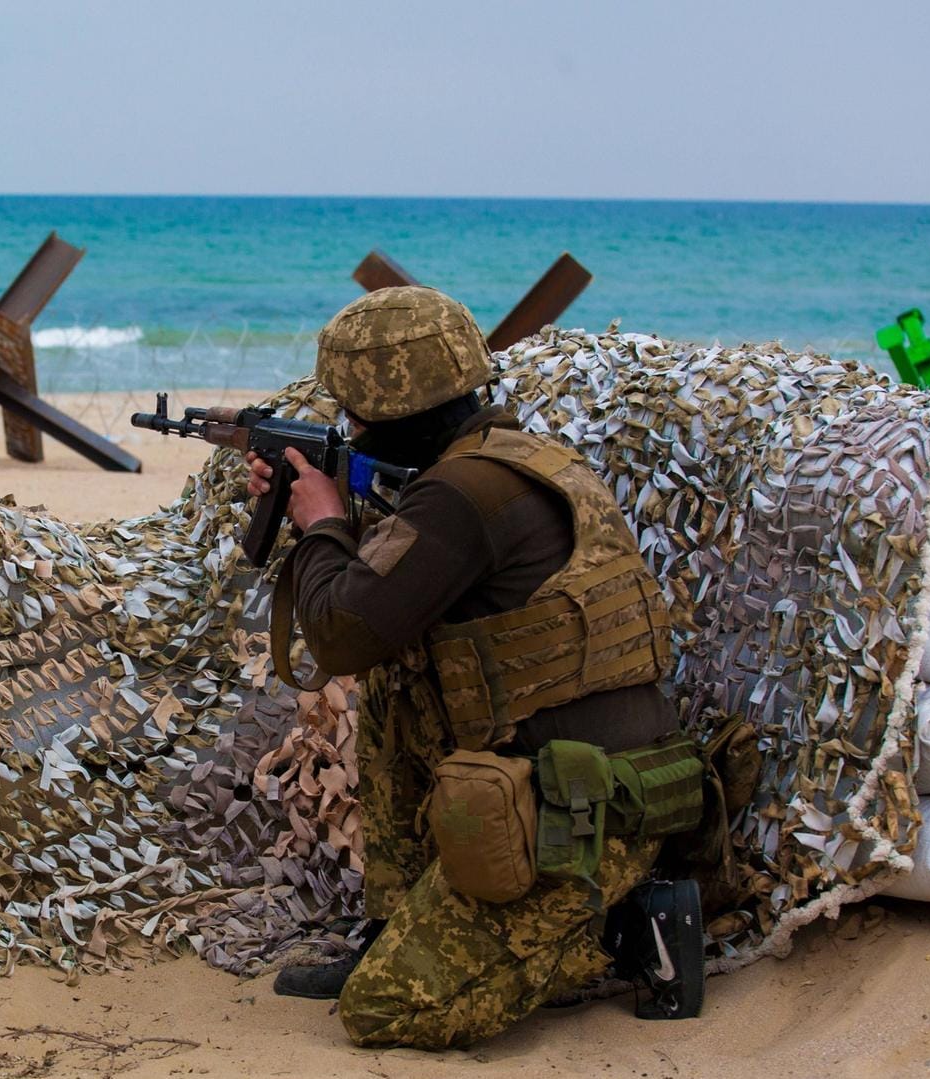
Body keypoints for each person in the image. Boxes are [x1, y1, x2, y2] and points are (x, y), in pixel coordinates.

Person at [246, 286, 695, 1050]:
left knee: (385, 1008)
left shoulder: (459, 493)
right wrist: (336, 517)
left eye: (356, 414)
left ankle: (623, 926)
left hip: (578, 821)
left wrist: (320, 522)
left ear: (391, 409)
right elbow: (392, 606)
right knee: (400, 678)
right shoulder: (512, 459)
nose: (349, 428)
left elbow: (343, 634)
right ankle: (391, 925)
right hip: (572, 783)